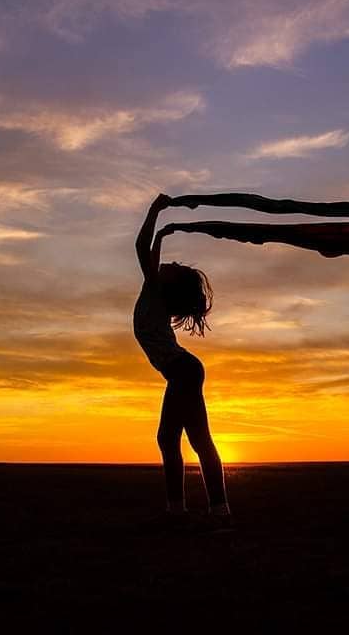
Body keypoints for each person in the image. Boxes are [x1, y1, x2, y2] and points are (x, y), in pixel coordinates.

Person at [134, 193, 231, 531]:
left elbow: (140, 246)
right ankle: (207, 511)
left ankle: (201, 512)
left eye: (174, 267)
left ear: (171, 283)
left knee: (182, 439)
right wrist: (161, 234)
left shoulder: (154, 289)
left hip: (183, 372)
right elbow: (148, 248)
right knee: (187, 440)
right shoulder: (154, 289)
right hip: (184, 371)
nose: (169, 264)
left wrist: (155, 212)